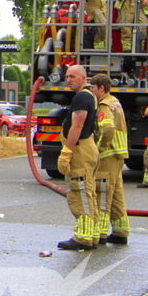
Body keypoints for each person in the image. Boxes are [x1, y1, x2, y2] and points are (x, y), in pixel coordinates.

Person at [57, 65, 99, 250]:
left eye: (73, 76)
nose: (68, 80)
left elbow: (77, 126)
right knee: (88, 192)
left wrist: (67, 151)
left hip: (80, 150)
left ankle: (83, 237)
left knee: (79, 192)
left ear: (83, 78)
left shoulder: (82, 97)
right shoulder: (90, 95)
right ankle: (92, 234)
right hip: (87, 147)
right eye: (67, 76)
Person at [90, 74, 129, 245]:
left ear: (101, 88)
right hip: (118, 154)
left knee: (102, 193)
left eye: (93, 87)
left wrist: (99, 148)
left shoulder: (105, 105)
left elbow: (108, 129)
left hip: (108, 155)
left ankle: (100, 233)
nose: (91, 91)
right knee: (116, 195)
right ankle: (121, 231)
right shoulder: (115, 102)